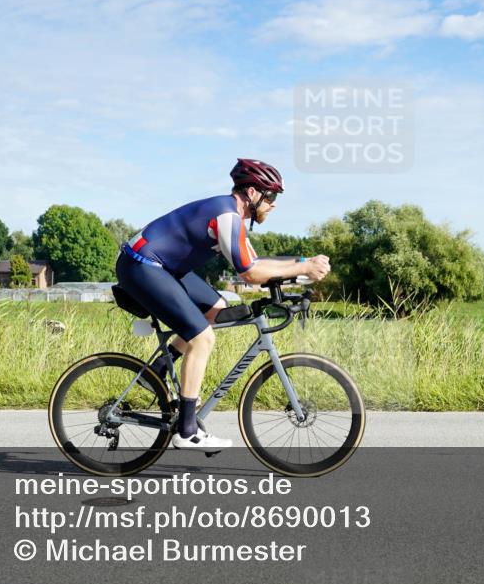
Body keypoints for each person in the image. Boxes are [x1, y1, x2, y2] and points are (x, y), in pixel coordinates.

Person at [114, 159, 331, 451]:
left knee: (216, 308)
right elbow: (250, 274)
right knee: (202, 337)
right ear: (253, 193)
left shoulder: (233, 218)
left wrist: (302, 265)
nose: (274, 204)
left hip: (163, 267)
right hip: (142, 266)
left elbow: (257, 264)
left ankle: (159, 369)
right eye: (271, 197)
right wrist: (302, 270)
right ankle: (187, 430)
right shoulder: (228, 216)